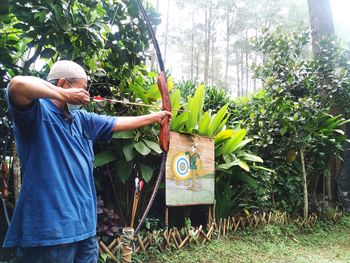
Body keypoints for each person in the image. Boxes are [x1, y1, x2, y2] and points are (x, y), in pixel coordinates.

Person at [2, 60, 171, 263]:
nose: (86, 95)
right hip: (51, 233)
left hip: (85, 229)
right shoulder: (37, 113)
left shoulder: (81, 119)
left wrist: (156, 117)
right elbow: (17, 84)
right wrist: (63, 95)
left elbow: (116, 122)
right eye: (82, 89)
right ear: (64, 84)